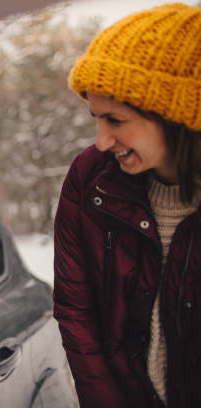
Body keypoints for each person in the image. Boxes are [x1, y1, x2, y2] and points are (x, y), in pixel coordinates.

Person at [53, 3, 201, 408]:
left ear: (174, 114)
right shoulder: (90, 179)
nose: (101, 141)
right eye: (95, 119)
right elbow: (77, 313)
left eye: (115, 121)